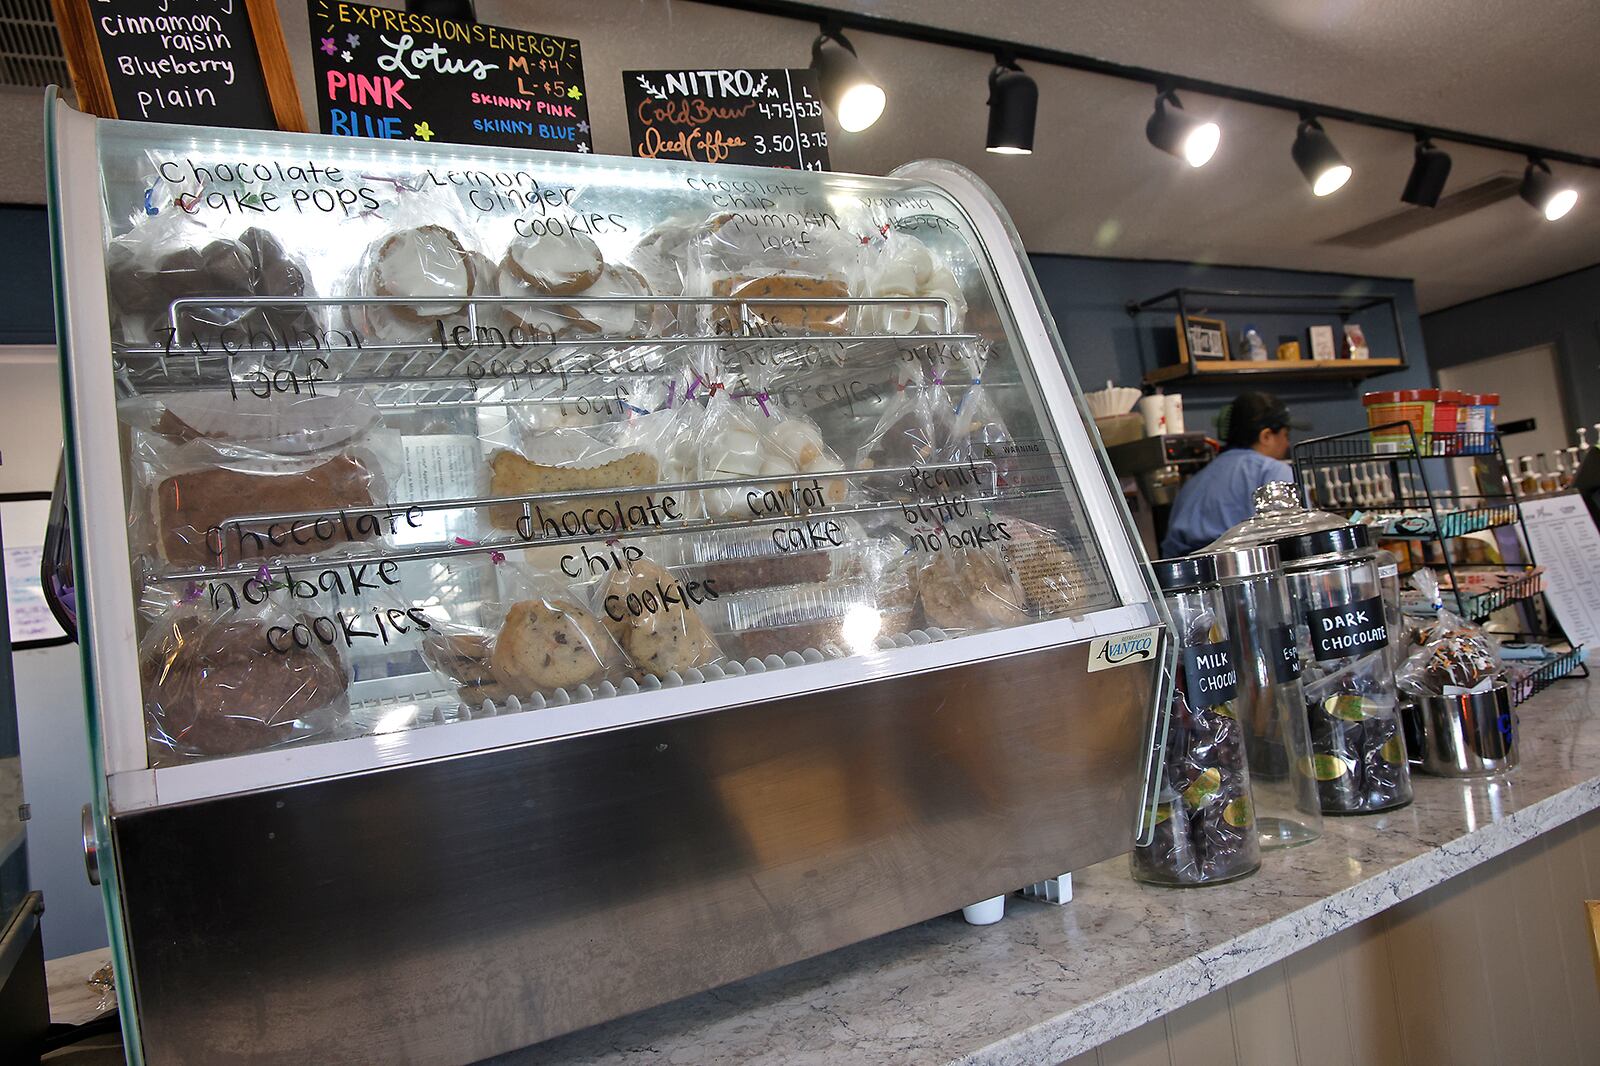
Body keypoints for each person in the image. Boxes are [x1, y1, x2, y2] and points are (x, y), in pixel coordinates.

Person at [1159, 391, 1298, 557]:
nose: (1287, 444)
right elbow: (1294, 538)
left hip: (1191, 577)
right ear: (1266, 436)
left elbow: (1170, 550)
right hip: (1250, 572)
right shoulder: (1273, 471)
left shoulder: (1193, 483)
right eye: (1285, 435)